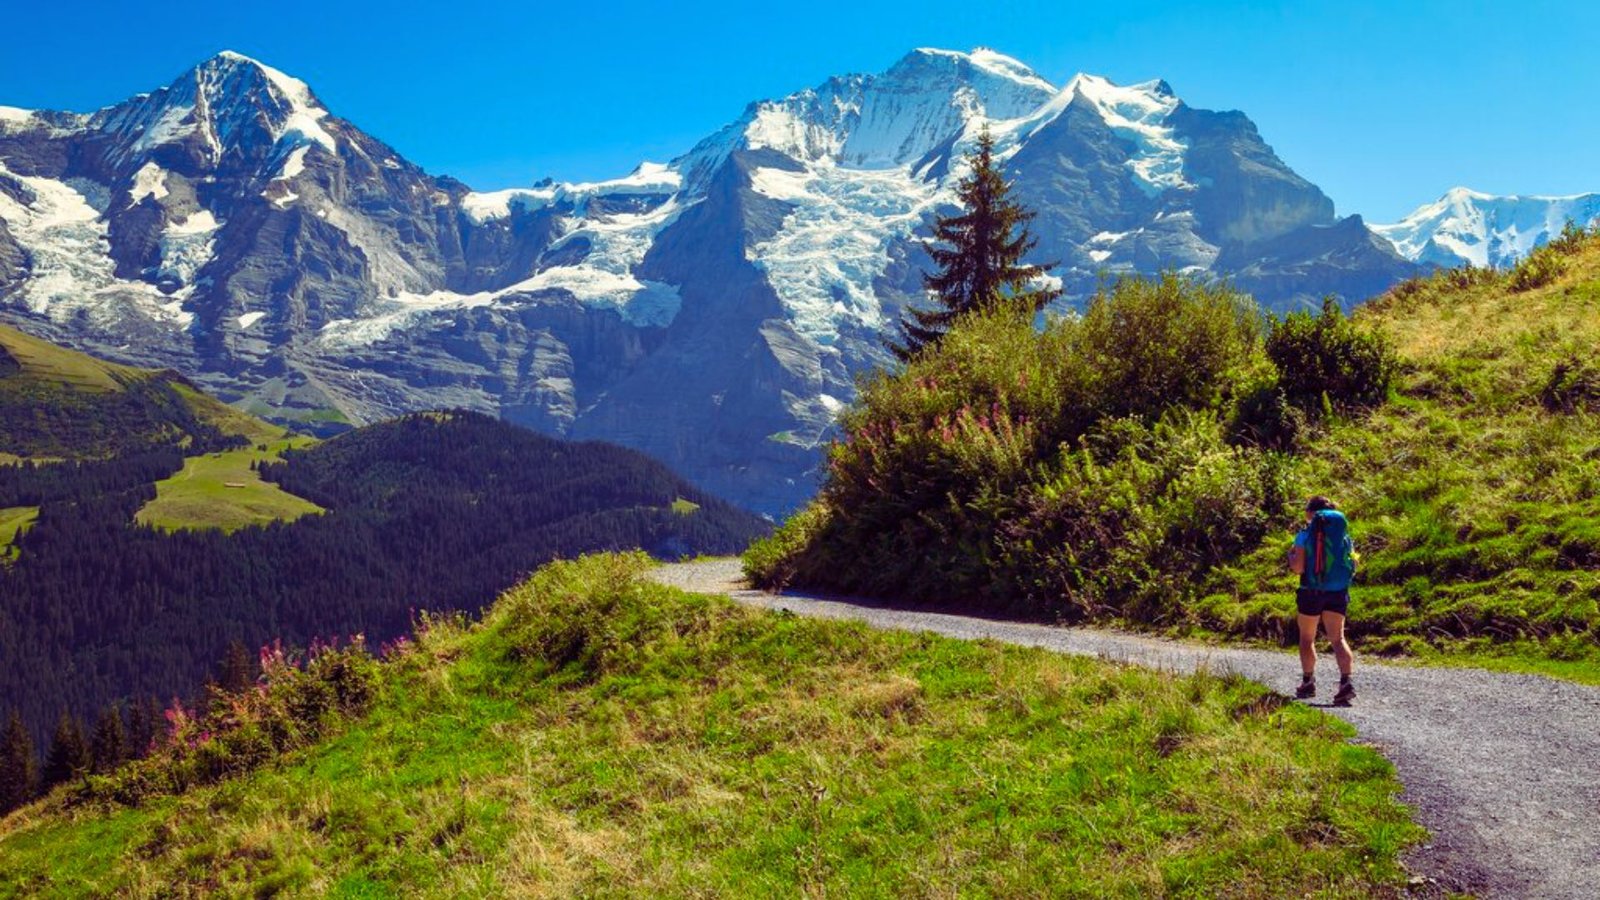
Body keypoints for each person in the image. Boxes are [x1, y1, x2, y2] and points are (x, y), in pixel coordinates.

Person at [1287, 496, 1357, 705]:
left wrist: (1291, 558)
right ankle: (1346, 683)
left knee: (1307, 638)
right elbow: (1353, 566)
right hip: (1337, 592)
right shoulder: (1344, 537)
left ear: (1311, 513)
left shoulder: (1304, 535)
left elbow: (1298, 568)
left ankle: (1308, 682)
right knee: (1338, 639)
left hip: (1311, 591)